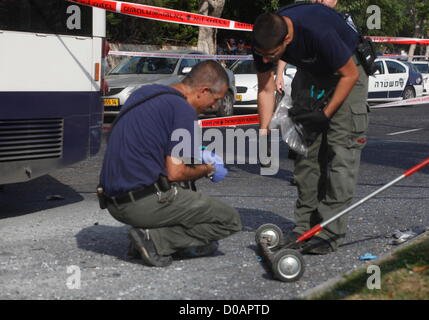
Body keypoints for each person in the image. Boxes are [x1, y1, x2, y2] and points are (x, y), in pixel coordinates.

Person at [99, 60, 242, 267]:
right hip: (138, 204)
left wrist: (197, 153)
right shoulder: (183, 110)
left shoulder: (145, 93)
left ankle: (147, 236)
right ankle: (156, 240)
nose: (214, 106)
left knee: (184, 195)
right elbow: (175, 172)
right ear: (203, 91)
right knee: (230, 220)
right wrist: (207, 169)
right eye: (216, 99)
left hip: (112, 201)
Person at [252, 2, 368, 254]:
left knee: (340, 153)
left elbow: (350, 75)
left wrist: (324, 114)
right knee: (305, 152)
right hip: (311, 74)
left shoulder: (318, 31)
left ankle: (329, 231)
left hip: (346, 71)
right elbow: (265, 88)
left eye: (271, 54)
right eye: (261, 53)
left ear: (288, 38)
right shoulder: (264, 38)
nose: (265, 59)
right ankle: (304, 226)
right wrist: (264, 131)